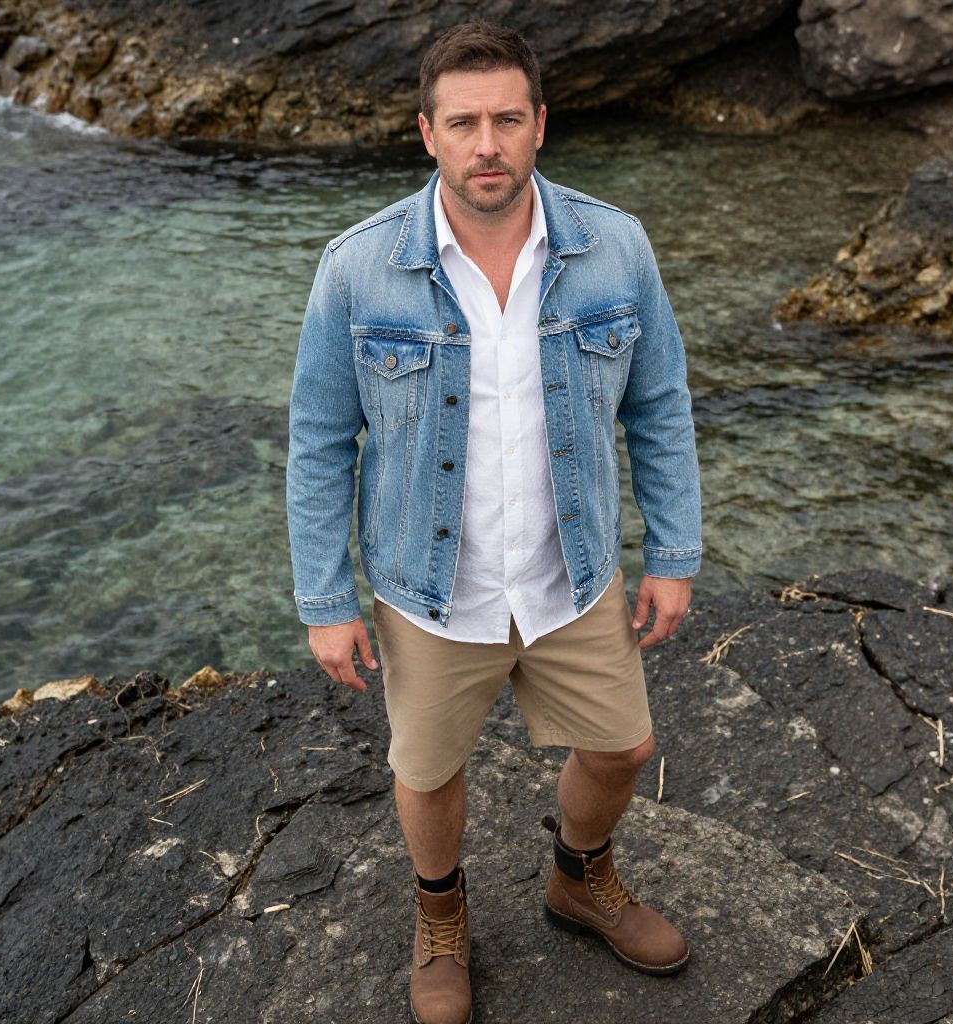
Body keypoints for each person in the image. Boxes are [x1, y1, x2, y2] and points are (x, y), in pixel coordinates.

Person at [286, 18, 702, 1024]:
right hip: (431, 586)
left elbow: (659, 406)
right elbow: (319, 441)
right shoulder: (357, 267)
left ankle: (579, 875)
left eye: (507, 120)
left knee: (623, 748)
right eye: (464, 123)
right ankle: (440, 913)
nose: (488, 144)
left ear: (539, 125)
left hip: (573, 574)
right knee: (427, 771)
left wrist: (674, 550)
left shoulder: (615, 247)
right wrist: (325, 599)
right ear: (427, 132)